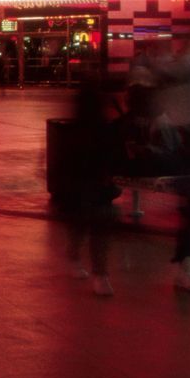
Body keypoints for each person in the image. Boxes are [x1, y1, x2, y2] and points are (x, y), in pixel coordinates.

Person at [58, 66, 121, 296]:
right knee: (98, 224)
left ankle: (77, 258)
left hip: (81, 175)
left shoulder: (77, 122)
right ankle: (100, 274)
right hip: (94, 175)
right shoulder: (102, 119)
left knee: (82, 221)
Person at [157, 45, 190, 292]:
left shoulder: (175, 98)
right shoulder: (179, 100)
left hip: (185, 163)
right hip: (183, 164)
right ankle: (185, 268)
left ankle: (185, 267)